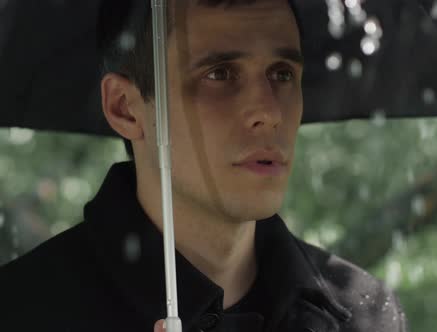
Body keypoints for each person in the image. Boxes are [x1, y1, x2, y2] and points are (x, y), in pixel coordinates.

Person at [0, 0, 407, 331]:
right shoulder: (21, 312)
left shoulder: (367, 314)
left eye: (282, 73)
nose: (268, 112)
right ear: (125, 108)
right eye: (221, 73)